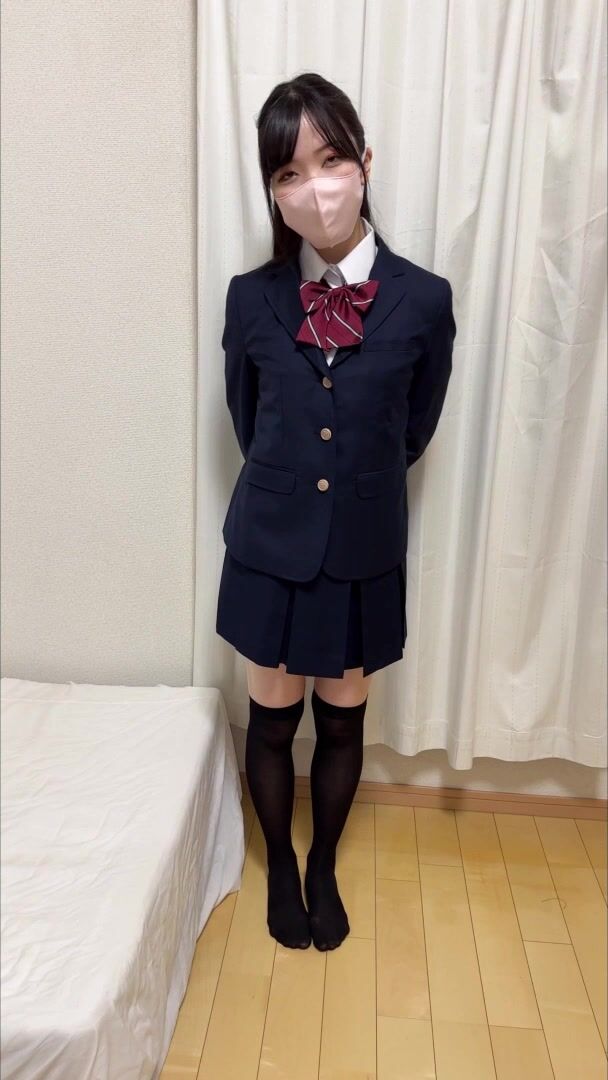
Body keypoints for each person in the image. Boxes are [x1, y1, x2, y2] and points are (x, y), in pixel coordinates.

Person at [216, 72, 456, 952]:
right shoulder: (251, 297)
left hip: (361, 545)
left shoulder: (424, 299)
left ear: (363, 161)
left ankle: (324, 867)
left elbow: (414, 427)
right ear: (272, 191)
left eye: (328, 161)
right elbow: (249, 422)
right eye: (287, 172)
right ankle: (281, 865)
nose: (312, 187)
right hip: (269, 545)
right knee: (273, 716)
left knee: (344, 715)